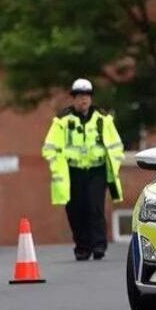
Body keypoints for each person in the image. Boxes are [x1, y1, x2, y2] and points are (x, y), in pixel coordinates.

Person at [42, 79, 125, 260]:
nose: (84, 100)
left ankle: (98, 247)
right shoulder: (62, 121)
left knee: (95, 208)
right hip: (73, 171)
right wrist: (58, 165)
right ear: (74, 98)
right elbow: (50, 147)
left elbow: (116, 146)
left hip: (97, 170)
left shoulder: (103, 120)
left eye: (87, 96)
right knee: (75, 210)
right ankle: (82, 247)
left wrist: (114, 165)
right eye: (80, 96)